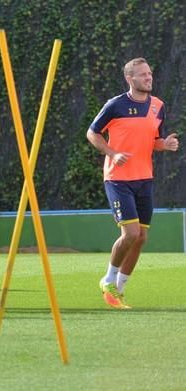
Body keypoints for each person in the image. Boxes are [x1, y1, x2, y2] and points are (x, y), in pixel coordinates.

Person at [86, 57, 179, 309]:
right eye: (142, 75)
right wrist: (112, 153)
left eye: (149, 73)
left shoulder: (158, 106)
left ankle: (118, 289)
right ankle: (108, 279)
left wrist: (165, 145)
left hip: (144, 179)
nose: (148, 77)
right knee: (131, 233)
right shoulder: (115, 105)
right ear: (130, 78)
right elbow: (92, 133)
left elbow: (155, 141)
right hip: (117, 179)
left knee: (141, 238)